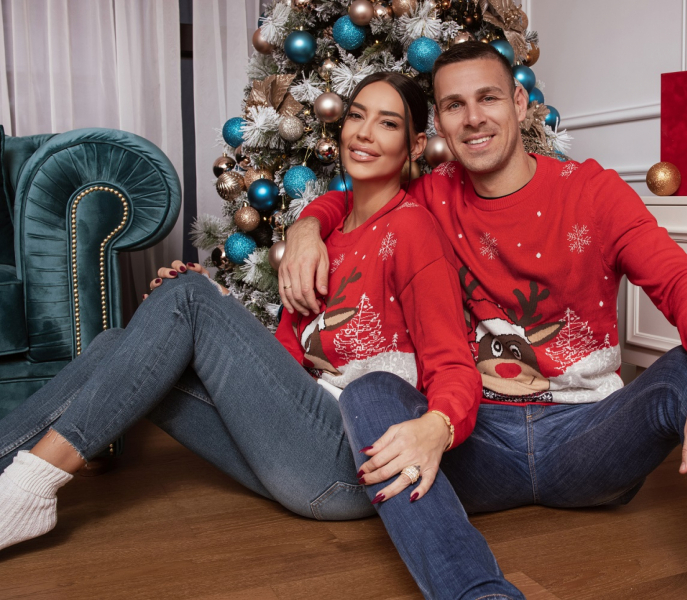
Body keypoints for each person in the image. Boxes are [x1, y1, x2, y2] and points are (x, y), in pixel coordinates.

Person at [283, 42, 687, 600]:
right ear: (438, 121)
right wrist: (307, 226)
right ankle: (479, 594)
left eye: (489, 98)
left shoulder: (592, 192)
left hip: (591, 438)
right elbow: (362, 200)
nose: (473, 118)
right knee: (371, 392)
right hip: (476, 442)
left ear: (519, 102)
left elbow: (684, 280)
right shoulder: (433, 194)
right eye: (455, 105)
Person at [0, 71, 523, 599]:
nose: (364, 133)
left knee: (187, 299)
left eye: (387, 124)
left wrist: (438, 427)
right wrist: (210, 319)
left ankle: (34, 485)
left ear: (414, 145)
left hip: (352, 462)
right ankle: (10, 485)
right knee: (120, 346)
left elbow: (452, 364)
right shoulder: (322, 239)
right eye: (357, 116)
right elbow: (284, 365)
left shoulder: (411, 229)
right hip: (299, 451)